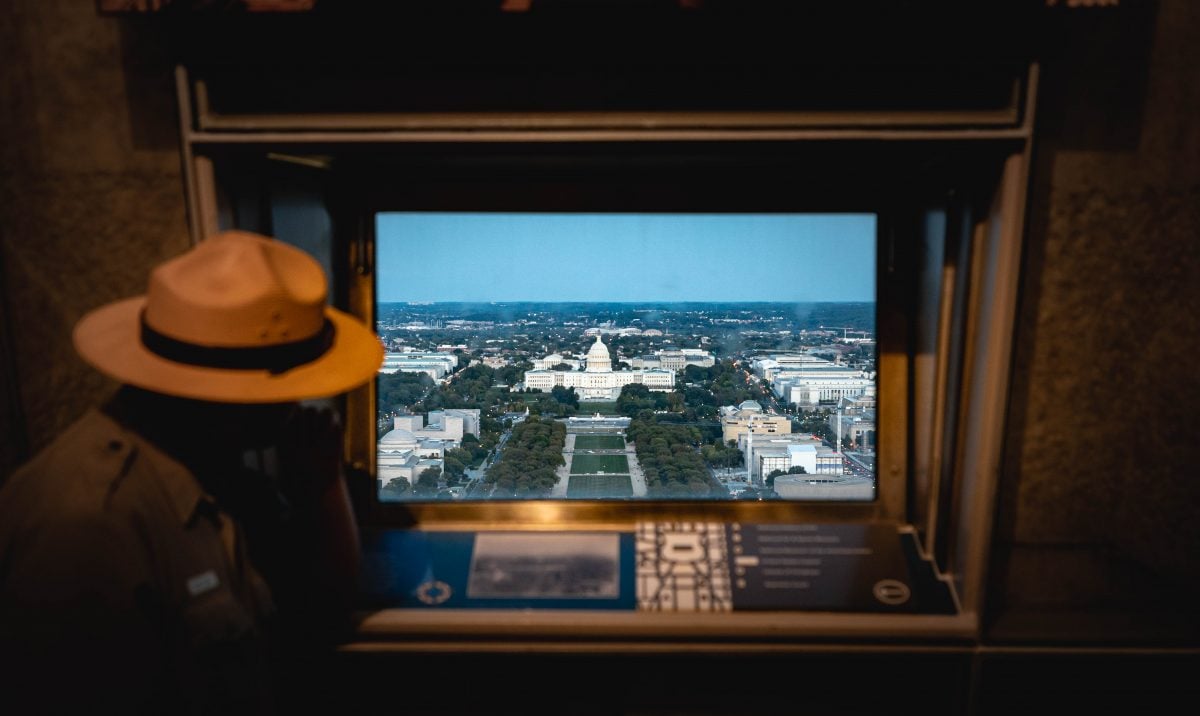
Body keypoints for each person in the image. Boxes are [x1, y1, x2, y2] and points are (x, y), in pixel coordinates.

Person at [0, 230, 383, 713]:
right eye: (290, 391)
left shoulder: (222, 474)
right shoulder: (85, 525)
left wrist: (322, 489)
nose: (297, 406)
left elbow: (318, 615)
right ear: (238, 406)